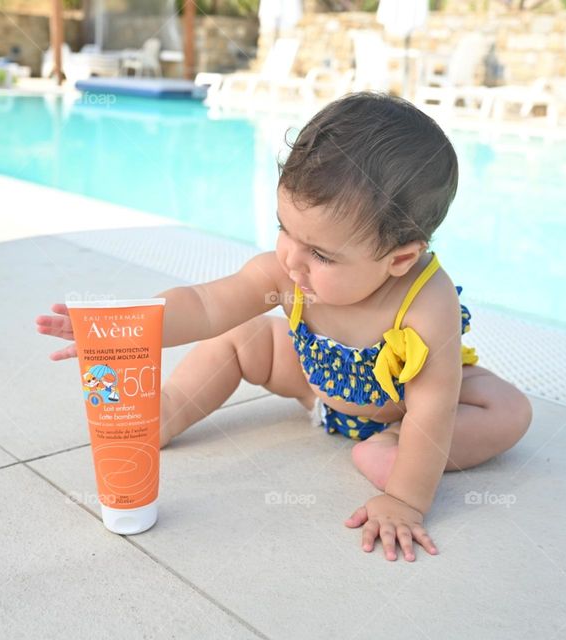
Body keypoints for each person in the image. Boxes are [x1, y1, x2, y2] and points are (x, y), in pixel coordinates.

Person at [36, 92, 532, 562]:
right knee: (241, 336)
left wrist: (405, 498)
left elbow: (433, 403)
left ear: (400, 258)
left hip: (397, 405)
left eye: (320, 254)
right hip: (316, 387)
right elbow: (207, 305)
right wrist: (123, 329)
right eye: (283, 229)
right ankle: (167, 409)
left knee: (508, 410)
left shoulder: (427, 301)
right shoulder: (289, 270)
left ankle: (392, 447)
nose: (292, 259)